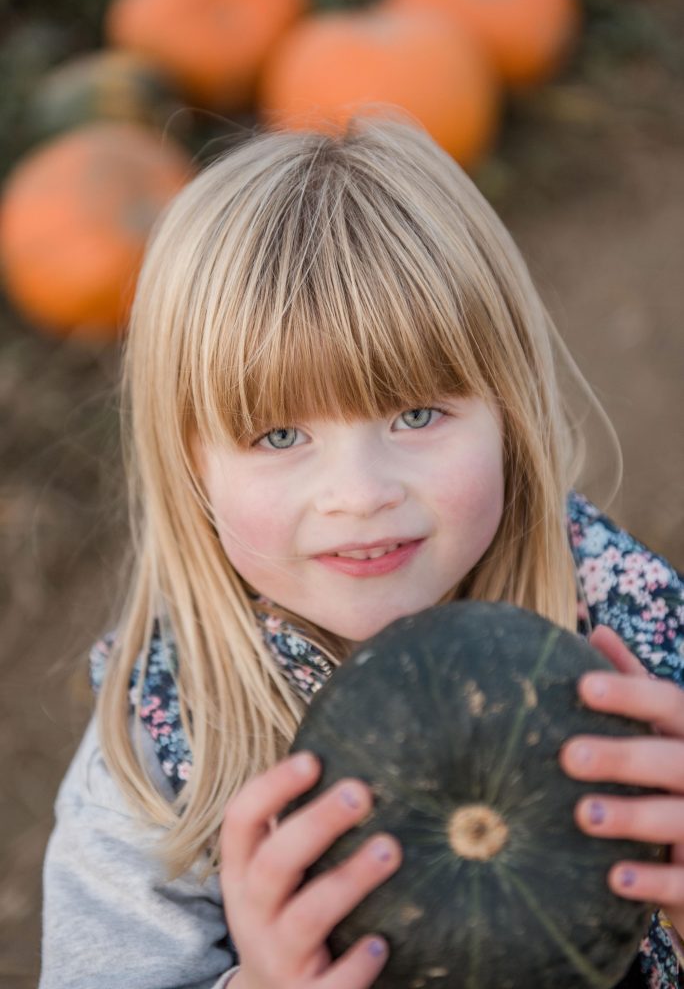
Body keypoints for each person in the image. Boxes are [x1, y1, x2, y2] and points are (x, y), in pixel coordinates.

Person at [39, 116, 684, 989]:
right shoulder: (156, 756)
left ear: (511, 413)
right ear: (191, 467)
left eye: (417, 415)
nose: (360, 491)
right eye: (277, 434)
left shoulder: (640, 657)